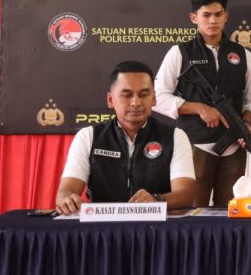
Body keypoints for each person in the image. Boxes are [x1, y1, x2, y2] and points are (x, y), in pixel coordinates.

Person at [154, 0, 251, 206]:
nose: (212, 20)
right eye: (206, 15)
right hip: (194, 146)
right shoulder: (180, 52)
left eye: (218, 14)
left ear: (226, 16)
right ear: (194, 18)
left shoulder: (243, 55)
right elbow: (157, 97)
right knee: (191, 211)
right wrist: (199, 108)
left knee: (231, 213)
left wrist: (246, 122)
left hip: (234, 146)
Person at [55, 61, 195, 215]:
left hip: (157, 230)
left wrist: (157, 200)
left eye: (144, 94)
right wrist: (68, 200)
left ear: (154, 98)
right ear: (110, 100)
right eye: (127, 95)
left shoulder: (175, 136)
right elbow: (65, 191)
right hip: (101, 230)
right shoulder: (88, 136)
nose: (136, 102)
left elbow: (186, 194)